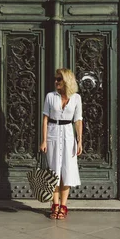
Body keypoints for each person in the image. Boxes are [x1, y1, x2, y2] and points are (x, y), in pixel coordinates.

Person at [40, 68, 83, 219]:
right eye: (56, 79)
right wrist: (44, 140)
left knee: (67, 171)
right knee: (54, 172)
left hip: (68, 135)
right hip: (53, 133)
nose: (56, 82)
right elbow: (45, 119)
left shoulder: (76, 98)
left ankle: (63, 205)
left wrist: (79, 141)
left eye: (59, 79)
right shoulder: (50, 97)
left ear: (67, 80)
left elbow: (78, 120)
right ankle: (55, 205)